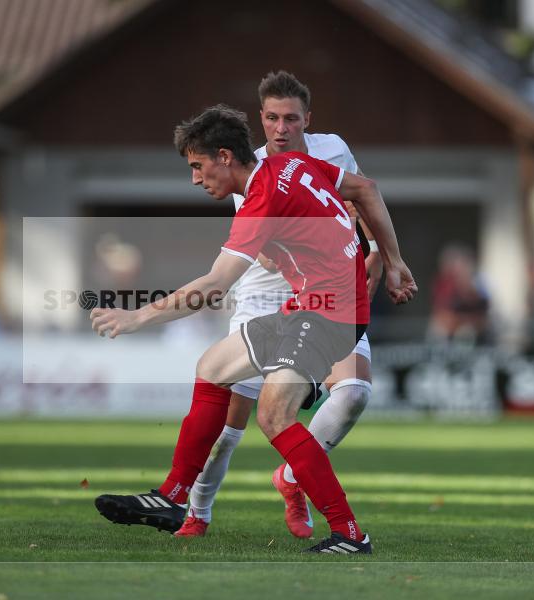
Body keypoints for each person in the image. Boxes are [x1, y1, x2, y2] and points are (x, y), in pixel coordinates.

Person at [91, 105, 417, 554]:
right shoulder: (291, 163)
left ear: (225, 157)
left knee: (273, 415)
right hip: (316, 303)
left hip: (328, 310)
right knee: (213, 366)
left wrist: (137, 316)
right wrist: (392, 258)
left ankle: (350, 533)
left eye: (197, 166)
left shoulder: (262, 197)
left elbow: (215, 284)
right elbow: (366, 188)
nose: (194, 179)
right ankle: (171, 498)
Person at [175, 71, 382, 539]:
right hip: (265, 291)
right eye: (271, 118)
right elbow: (266, 251)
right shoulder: (252, 172)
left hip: (325, 291)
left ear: (308, 119)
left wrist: (378, 253)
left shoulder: (332, 150)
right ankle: (198, 510)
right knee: (231, 424)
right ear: (260, 121)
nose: (281, 128)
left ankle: (292, 477)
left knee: (353, 394)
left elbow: (361, 197)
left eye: (291, 118)